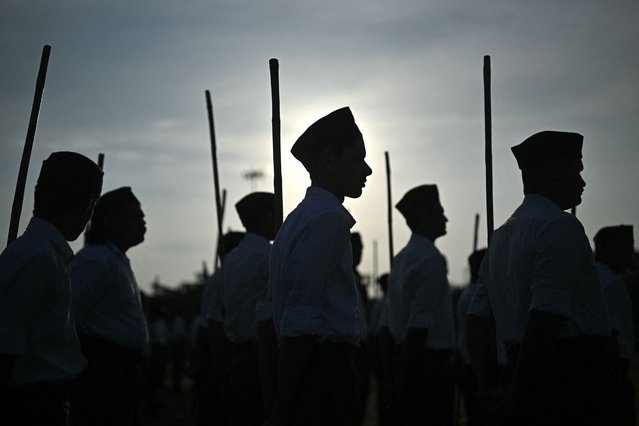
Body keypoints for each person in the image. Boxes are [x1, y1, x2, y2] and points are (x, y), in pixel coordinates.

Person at [466, 131, 614, 426]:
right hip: (569, 376)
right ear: (555, 170)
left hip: (519, 368)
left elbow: (477, 319)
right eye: (577, 169)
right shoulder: (561, 226)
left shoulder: (499, 238)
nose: (582, 181)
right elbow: (546, 317)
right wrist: (517, 392)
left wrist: (488, 386)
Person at [266, 106, 372, 426]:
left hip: (314, 370)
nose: (366, 170)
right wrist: (280, 409)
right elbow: (301, 319)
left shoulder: (299, 219)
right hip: (324, 373)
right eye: (357, 158)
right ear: (328, 160)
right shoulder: (327, 219)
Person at [0, 152, 103, 425]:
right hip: (32, 404)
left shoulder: (45, 255)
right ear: (84, 205)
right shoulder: (38, 258)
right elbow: (5, 348)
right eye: (92, 203)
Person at [70, 187, 149, 426]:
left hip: (121, 369)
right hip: (102, 370)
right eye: (133, 216)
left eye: (141, 215)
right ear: (111, 223)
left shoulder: (115, 260)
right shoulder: (95, 260)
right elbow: (69, 316)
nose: (142, 221)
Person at [387, 184, 455, 426]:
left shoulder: (401, 258)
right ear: (424, 216)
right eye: (439, 211)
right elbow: (419, 324)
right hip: (427, 366)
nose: (445, 218)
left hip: (406, 359)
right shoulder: (430, 259)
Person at [221, 192, 277, 426]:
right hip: (265, 357)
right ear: (267, 218)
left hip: (239, 355)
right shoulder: (270, 256)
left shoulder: (232, 259)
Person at [193, 231, 244, 426]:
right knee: (216, 399)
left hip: (216, 339)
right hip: (215, 341)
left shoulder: (224, 277)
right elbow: (215, 321)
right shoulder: (223, 278)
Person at [594, 225, 636, 425]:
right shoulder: (611, 283)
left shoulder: (590, 277)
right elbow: (609, 337)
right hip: (611, 373)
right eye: (624, 250)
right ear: (606, 249)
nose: (629, 256)